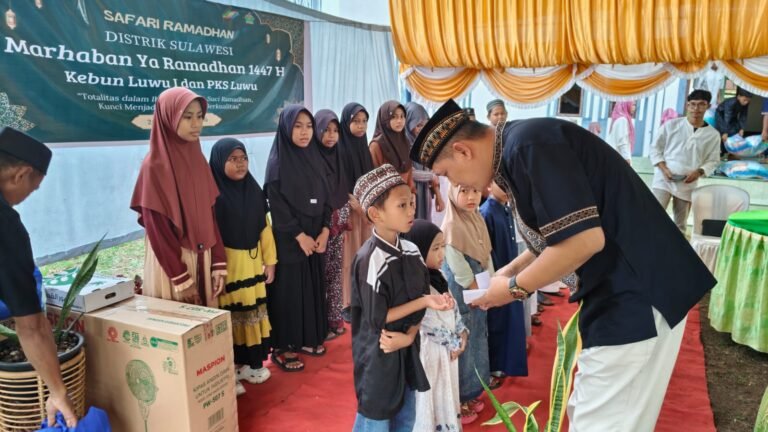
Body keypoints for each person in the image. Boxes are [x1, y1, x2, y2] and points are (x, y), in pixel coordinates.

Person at [410, 99, 716, 431]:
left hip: (638, 293)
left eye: (446, 173)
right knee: (593, 413)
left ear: (462, 151)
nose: (453, 184)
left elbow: (584, 241)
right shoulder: (519, 146)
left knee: (601, 421)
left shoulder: (529, 147)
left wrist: (514, 289)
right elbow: (560, 236)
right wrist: (509, 271)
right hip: (623, 288)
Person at [349, 164, 453, 431]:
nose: (411, 211)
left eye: (412, 203)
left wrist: (410, 335)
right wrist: (426, 301)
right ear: (375, 214)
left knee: (406, 418)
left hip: (408, 345)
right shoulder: (370, 259)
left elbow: (419, 301)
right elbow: (378, 317)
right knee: (377, 418)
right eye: (402, 205)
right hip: (379, 354)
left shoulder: (411, 251)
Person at [0, 127, 78, 428]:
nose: (28, 196)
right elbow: (31, 326)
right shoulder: (6, 226)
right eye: (34, 188)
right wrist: (57, 391)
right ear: (21, 174)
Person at [130, 87, 227, 307]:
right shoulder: (154, 167)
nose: (197, 124)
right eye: (188, 117)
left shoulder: (198, 160)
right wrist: (181, 278)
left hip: (204, 255)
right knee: (178, 330)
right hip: (173, 264)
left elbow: (210, 214)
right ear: (168, 118)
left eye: (200, 116)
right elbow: (157, 230)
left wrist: (218, 261)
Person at [264, 105, 330, 372]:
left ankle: (305, 339)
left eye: (309, 126)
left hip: (316, 235)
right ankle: (283, 346)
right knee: (289, 292)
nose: (304, 132)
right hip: (290, 239)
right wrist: (299, 235)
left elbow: (327, 197)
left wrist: (325, 230)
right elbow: (277, 207)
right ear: (286, 128)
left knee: (311, 287)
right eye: (298, 126)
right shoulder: (278, 163)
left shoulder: (315, 157)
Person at [209, 138, 276, 395]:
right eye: (233, 159)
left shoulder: (253, 189)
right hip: (227, 267)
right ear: (218, 161)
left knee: (253, 315)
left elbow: (264, 228)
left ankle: (251, 364)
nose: (240, 164)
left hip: (252, 267)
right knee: (232, 318)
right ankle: (230, 370)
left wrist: (270, 261)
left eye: (243, 158)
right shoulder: (213, 193)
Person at [404, 220, 468, 430]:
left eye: (443, 247)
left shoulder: (439, 277)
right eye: (435, 248)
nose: (442, 254)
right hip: (432, 353)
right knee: (431, 398)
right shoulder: (417, 284)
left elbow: (453, 306)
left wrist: (461, 331)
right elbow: (427, 322)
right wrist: (454, 342)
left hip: (448, 352)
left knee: (447, 393)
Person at [441, 183, 492, 424]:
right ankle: (459, 399)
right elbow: (459, 270)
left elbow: (486, 253)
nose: (471, 197)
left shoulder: (476, 217)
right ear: (452, 193)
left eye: (475, 191)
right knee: (463, 341)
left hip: (479, 290)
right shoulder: (451, 225)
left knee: (478, 339)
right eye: (464, 191)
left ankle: (472, 392)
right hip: (464, 293)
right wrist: (477, 290)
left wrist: (489, 286)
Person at [651, 90, 721, 233]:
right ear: (687, 105)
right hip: (663, 179)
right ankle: (650, 249)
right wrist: (664, 169)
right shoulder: (671, 125)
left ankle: (677, 253)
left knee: (680, 224)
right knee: (653, 216)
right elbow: (655, 149)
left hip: (688, 182)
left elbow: (713, 160)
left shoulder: (713, 135)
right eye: (693, 104)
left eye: (701, 104)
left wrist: (699, 172)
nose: (696, 109)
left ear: (708, 106)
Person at [479, 181, 528, 387]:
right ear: (489, 185)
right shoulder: (487, 212)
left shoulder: (506, 209)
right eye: (502, 184)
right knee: (498, 321)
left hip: (509, 273)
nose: (508, 188)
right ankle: (496, 365)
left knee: (511, 317)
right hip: (498, 276)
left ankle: (508, 361)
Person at [314, 109, 349, 339]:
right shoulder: (312, 158)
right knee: (320, 275)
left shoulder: (339, 155)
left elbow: (341, 187)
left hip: (340, 220)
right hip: (321, 224)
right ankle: (320, 323)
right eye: (326, 130)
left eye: (335, 130)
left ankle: (335, 319)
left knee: (334, 273)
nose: (331, 135)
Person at [338, 102, 374, 324]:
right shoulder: (341, 148)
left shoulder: (363, 146)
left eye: (363, 121)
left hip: (365, 209)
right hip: (349, 210)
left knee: (365, 255)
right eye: (356, 121)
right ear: (346, 122)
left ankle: (362, 297)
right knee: (349, 257)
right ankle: (347, 303)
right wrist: (355, 204)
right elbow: (340, 181)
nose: (361, 126)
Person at [405, 102, 444, 221]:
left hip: (425, 192)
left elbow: (431, 170)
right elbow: (410, 172)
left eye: (425, 124)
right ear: (408, 124)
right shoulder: (404, 144)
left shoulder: (425, 143)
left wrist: (438, 194)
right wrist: (430, 176)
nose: (422, 129)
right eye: (418, 125)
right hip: (411, 192)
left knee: (425, 227)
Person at [369, 101, 415, 193]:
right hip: (386, 199)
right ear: (384, 118)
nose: (399, 121)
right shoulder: (376, 146)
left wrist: (412, 194)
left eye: (402, 116)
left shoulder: (405, 142)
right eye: (394, 117)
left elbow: (409, 172)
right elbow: (375, 180)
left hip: (406, 197)